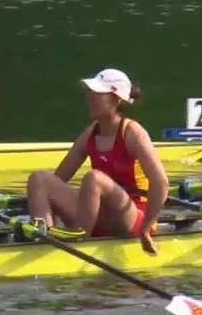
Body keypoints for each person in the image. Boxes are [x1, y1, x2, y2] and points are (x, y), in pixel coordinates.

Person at [24, 69, 167, 254]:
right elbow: (59, 179)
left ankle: (79, 236)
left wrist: (146, 227)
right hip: (97, 216)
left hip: (132, 218)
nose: (90, 97)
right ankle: (42, 235)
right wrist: (43, 203)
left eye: (98, 93)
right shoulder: (91, 133)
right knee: (39, 178)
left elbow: (161, 182)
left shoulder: (133, 133)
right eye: (90, 92)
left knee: (94, 179)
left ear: (117, 99)